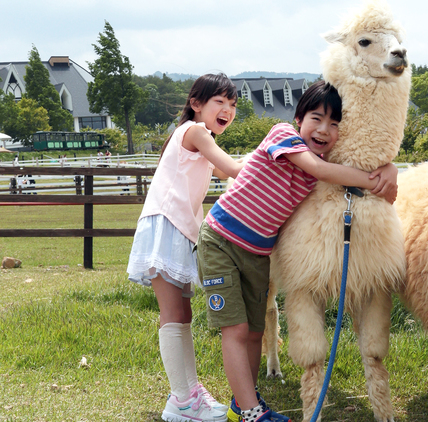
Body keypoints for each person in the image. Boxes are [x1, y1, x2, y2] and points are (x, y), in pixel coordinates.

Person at [196, 81, 398, 422]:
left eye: (335, 124)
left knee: (256, 331)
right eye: (317, 118)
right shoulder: (283, 136)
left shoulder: (316, 164)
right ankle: (249, 411)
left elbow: (340, 164)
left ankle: (241, 399)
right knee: (236, 329)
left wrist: (388, 166)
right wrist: (374, 180)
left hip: (257, 253)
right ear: (298, 118)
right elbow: (321, 170)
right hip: (222, 241)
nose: (324, 130)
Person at [127, 73, 246, 422]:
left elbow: (224, 173)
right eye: (219, 102)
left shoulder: (197, 135)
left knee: (184, 315)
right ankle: (180, 400)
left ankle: (190, 392)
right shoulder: (195, 132)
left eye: (233, 104)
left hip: (179, 228)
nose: (227, 110)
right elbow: (233, 169)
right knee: (172, 315)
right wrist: (275, 151)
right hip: (166, 225)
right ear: (196, 105)